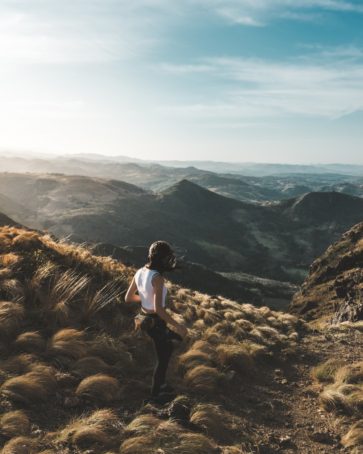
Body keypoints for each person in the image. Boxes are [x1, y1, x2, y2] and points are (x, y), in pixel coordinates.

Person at [125, 240, 188, 401]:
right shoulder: (158, 278)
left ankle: (161, 384)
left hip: (143, 317)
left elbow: (128, 297)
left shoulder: (139, 271)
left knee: (166, 350)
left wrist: (146, 298)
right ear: (163, 258)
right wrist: (178, 325)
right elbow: (159, 310)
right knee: (164, 355)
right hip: (156, 322)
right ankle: (156, 392)